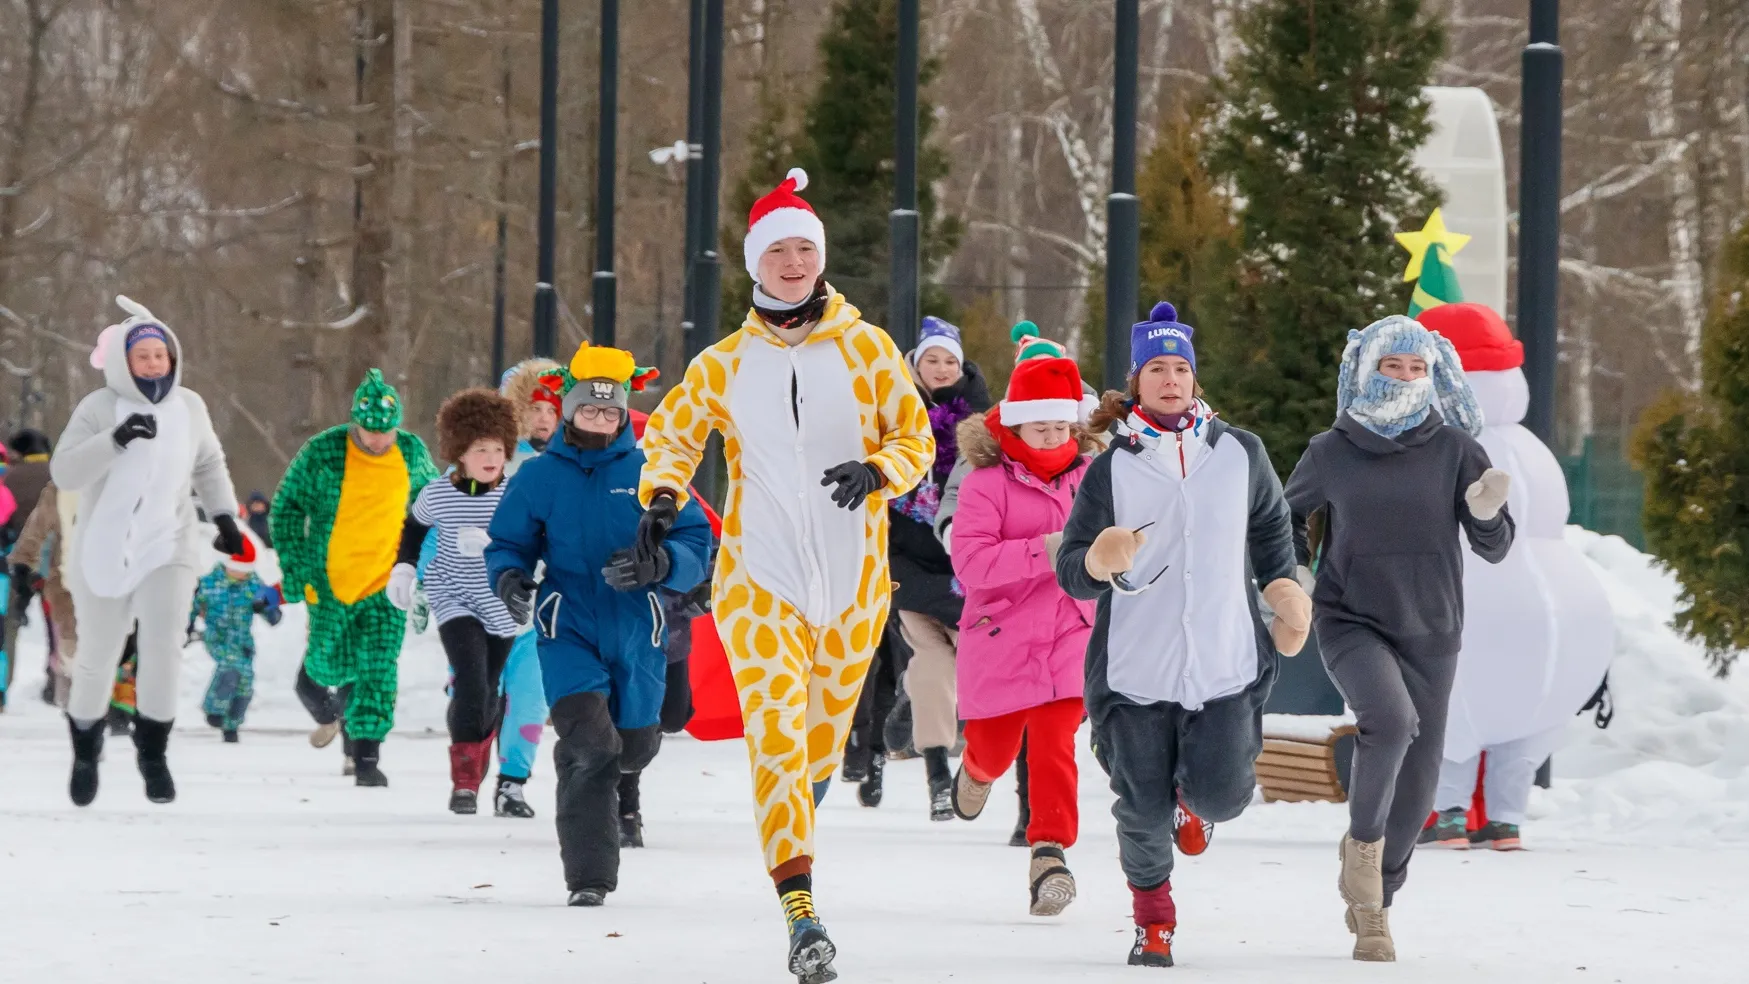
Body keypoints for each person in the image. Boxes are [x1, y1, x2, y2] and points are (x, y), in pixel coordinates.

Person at [637, 167, 932, 983]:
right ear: (754, 265)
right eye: (779, 251)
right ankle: (800, 910)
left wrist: (879, 472)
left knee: (814, 750)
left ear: (820, 257)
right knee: (773, 737)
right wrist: (659, 497)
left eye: (805, 248)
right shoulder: (725, 363)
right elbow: (671, 435)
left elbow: (916, 439)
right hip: (758, 576)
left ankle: (803, 797)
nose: (794, 262)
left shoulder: (868, 350)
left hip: (853, 583)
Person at [1055, 303, 1310, 968]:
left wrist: (1281, 585)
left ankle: (1193, 804)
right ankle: (1153, 920)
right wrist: (1095, 559)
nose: (1170, 379)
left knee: (1224, 793)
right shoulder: (1110, 468)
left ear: (1195, 380)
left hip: (1224, 663)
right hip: (1134, 671)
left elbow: (1270, 528)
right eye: (1156, 369)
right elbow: (1072, 571)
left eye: (1180, 368)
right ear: (1135, 383)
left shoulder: (1238, 452)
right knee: (1138, 809)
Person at [1284, 314, 1514, 962]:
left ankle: (1376, 901)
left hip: (1433, 629)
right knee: (1388, 720)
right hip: (1349, 616)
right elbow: (1284, 515)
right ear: (1367, 370)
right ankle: (1361, 858)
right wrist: (1293, 575)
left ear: (1432, 373)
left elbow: (1493, 548)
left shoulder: (1457, 450)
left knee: (1417, 786)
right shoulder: (1331, 449)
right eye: (1393, 366)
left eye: (1417, 368)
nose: (1406, 377)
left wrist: (1486, 511)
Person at [485, 342, 711, 907]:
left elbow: (695, 539)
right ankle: (589, 878)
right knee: (589, 746)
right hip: (569, 624)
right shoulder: (539, 476)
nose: (602, 420)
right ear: (569, 412)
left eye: (611, 412)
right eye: (590, 410)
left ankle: (628, 766)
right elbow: (508, 543)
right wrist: (510, 578)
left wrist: (660, 565)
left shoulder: (652, 470)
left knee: (632, 747)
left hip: (639, 627)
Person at [1414, 302, 1614, 853]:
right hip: (1560, 615)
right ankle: (1505, 820)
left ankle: (1450, 814)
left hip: (1461, 603)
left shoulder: (1440, 447)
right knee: (1524, 723)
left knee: (1451, 710)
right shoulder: (1532, 448)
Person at [50, 296, 244, 806]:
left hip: (170, 543)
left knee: (163, 651)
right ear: (124, 362)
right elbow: (65, 472)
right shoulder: (97, 409)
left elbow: (208, 464)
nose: (155, 363)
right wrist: (115, 440)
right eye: (144, 356)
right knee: (98, 658)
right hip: (105, 549)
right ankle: (86, 751)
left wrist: (224, 518)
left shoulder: (190, 407)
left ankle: (152, 754)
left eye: (162, 355)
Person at [945, 356, 1098, 916]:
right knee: (998, 747)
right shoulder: (985, 484)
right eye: (1042, 428)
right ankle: (978, 769)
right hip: (1002, 636)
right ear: (1013, 426)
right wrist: (1051, 550)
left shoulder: (1092, 477)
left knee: (1056, 743)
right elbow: (972, 563)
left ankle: (1049, 855)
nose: (1054, 437)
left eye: (1062, 427)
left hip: (1072, 632)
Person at [272, 369, 438, 786]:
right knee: (330, 664)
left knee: (378, 668)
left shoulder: (413, 452)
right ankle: (313, 690)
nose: (379, 440)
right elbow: (287, 508)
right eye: (369, 432)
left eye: (386, 432)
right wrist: (297, 568)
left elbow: (431, 508)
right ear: (355, 423)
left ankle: (366, 756)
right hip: (331, 580)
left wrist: (426, 571)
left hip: (388, 582)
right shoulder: (324, 452)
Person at [389, 387, 522, 813]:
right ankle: (464, 783)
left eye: (498, 449)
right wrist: (405, 568)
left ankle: (477, 759)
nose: (490, 458)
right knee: (469, 677)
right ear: (459, 453)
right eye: (480, 448)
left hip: (501, 602)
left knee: (487, 689)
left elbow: (537, 537)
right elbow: (413, 529)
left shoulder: (515, 495)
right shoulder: (438, 493)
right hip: (454, 594)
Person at [882, 315, 992, 819]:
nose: (942, 368)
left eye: (950, 359)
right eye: (932, 359)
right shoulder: (893, 417)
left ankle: (945, 738)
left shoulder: (986, 424)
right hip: (910, 567)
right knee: (933, 670)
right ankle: (937, 777)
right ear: (915, 366)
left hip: (973, 570)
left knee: (973, 670)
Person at [486, 358, 563, 818]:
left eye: (552, 409)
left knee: (530, 697)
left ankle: (512, 782)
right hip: (484, 601)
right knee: (478, 698)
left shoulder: (567, 465)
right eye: (533, 408)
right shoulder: (490, 460)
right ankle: (468, 765)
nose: (543, 418)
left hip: (539, 604)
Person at [192, 527, 282, 742]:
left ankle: (231, 725)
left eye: (247, 570)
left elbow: (275, 617)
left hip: (243, 641)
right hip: (217, 637)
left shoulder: (254, 583)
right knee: (231, 666)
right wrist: (185, 628)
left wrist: (267, 608)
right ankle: (214, 710)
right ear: (227, 565)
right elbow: (191, 607)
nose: (243, 574)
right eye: (239, 569)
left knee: (246, 682)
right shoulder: (208, 584)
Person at [12, 481, 77, 707]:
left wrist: (23, 564)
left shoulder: (62, 485)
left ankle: (77, 709)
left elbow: (37, 527)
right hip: (79, 578)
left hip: (65, 578)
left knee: (68, 641)